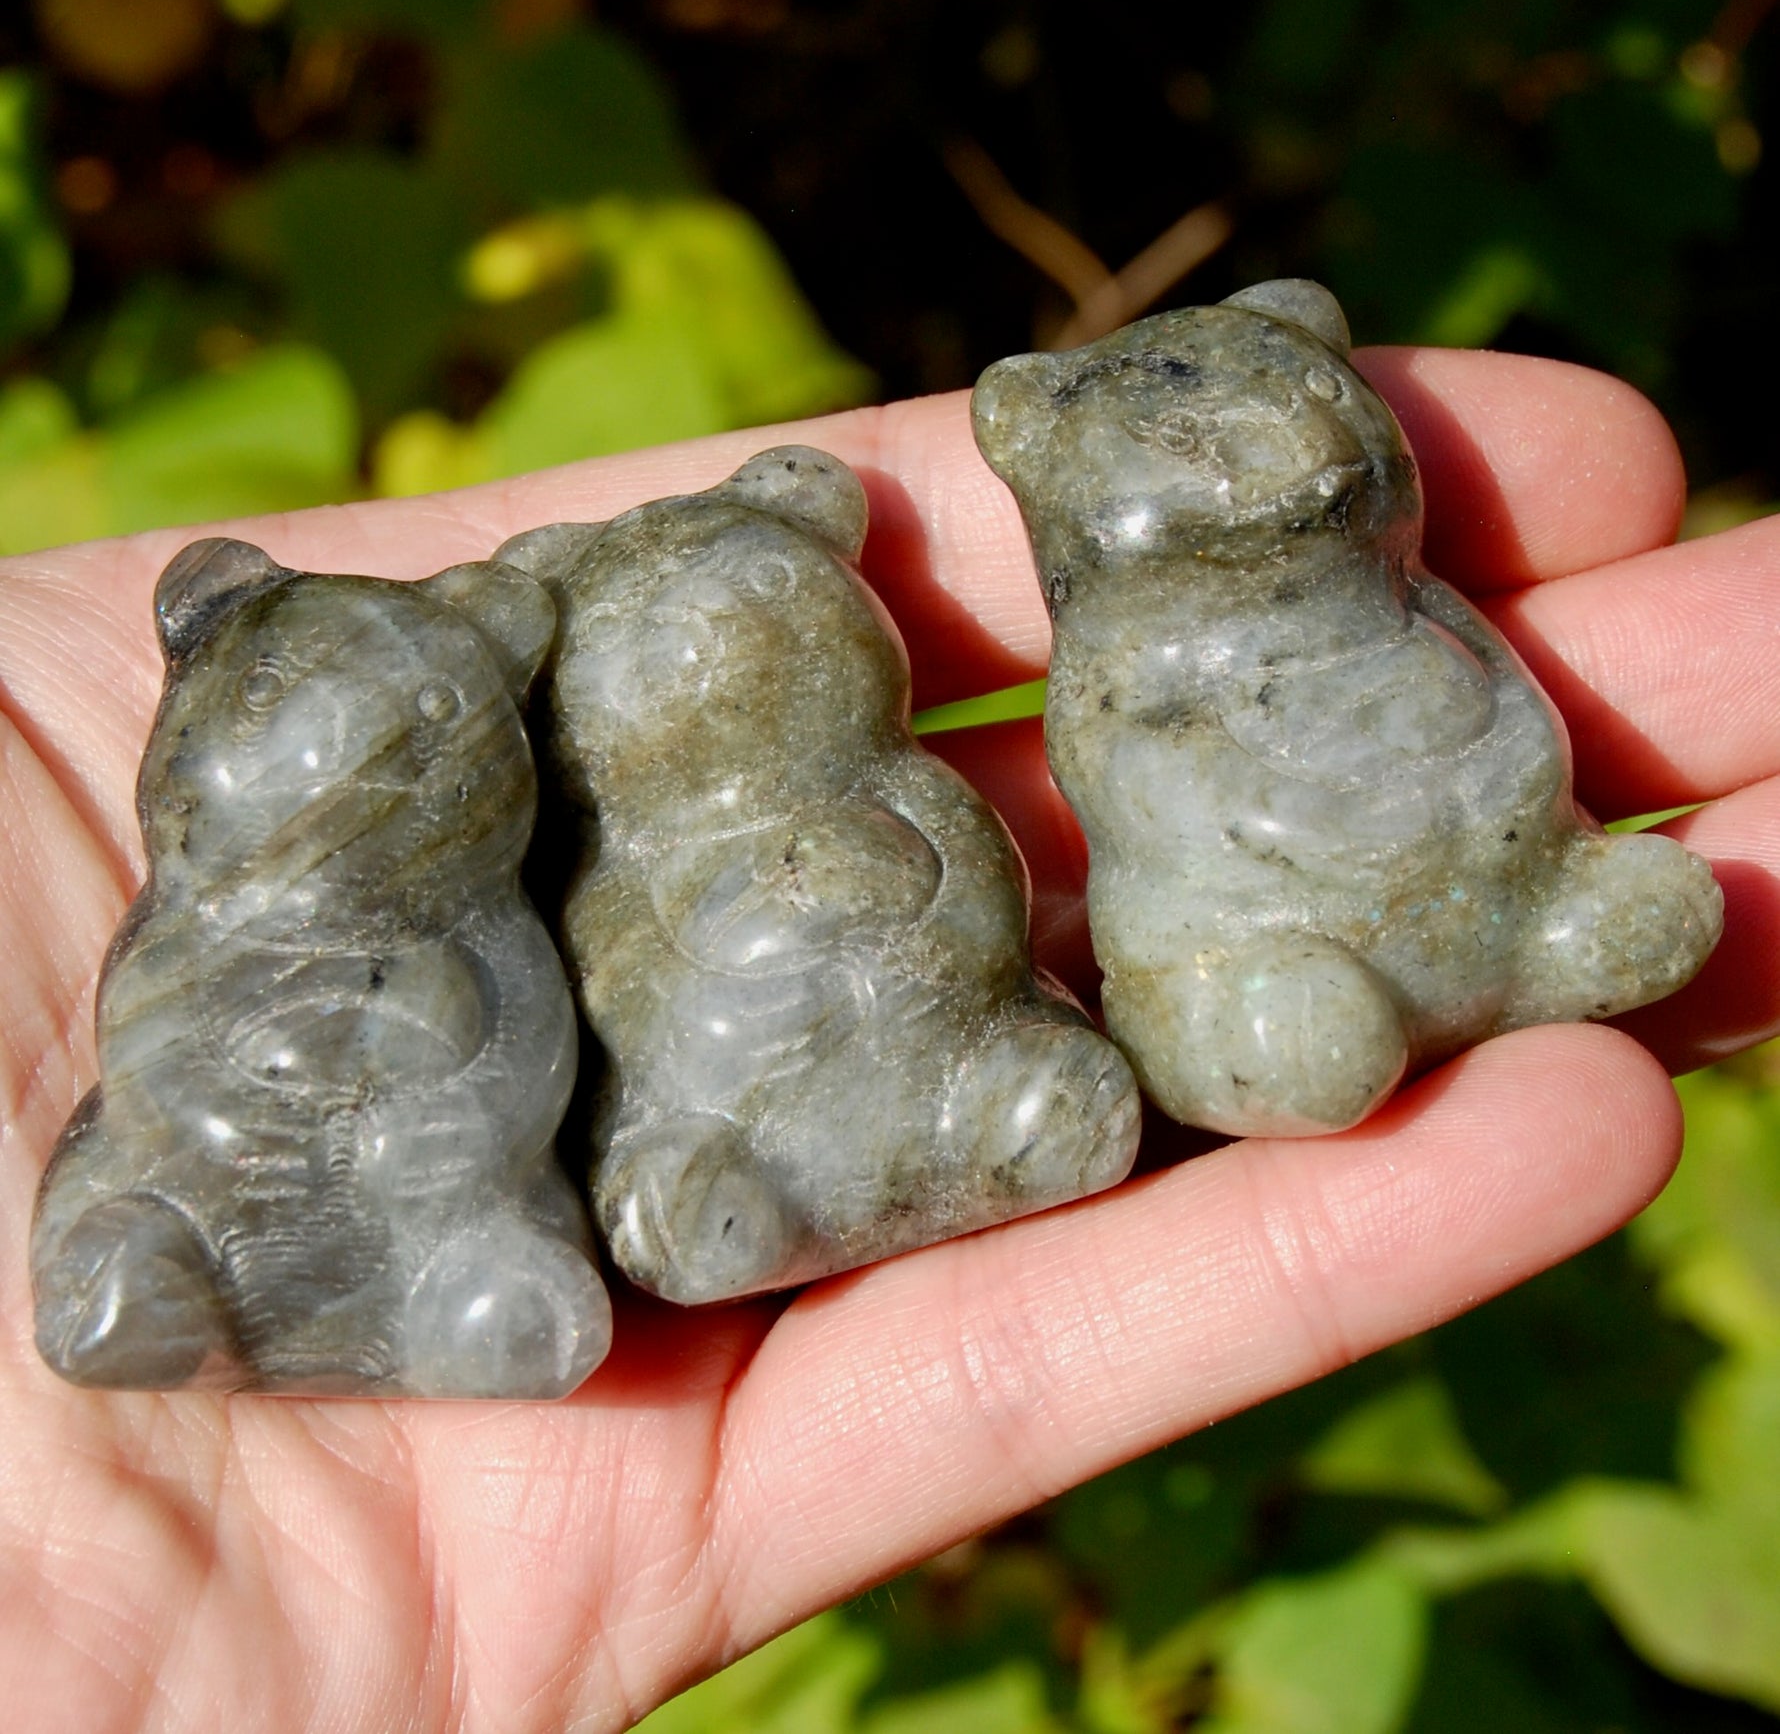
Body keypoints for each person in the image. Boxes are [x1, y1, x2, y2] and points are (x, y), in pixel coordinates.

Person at [0, 344, 1770, 1732]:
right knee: (575, 1195)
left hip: (966, 1026)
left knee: (1005, 1078)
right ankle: (357, 1253)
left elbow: (995, 903)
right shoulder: (521, 886)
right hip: (642, 1126)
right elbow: (571, 1041)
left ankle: (1060, 1086)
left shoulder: (906, 767)